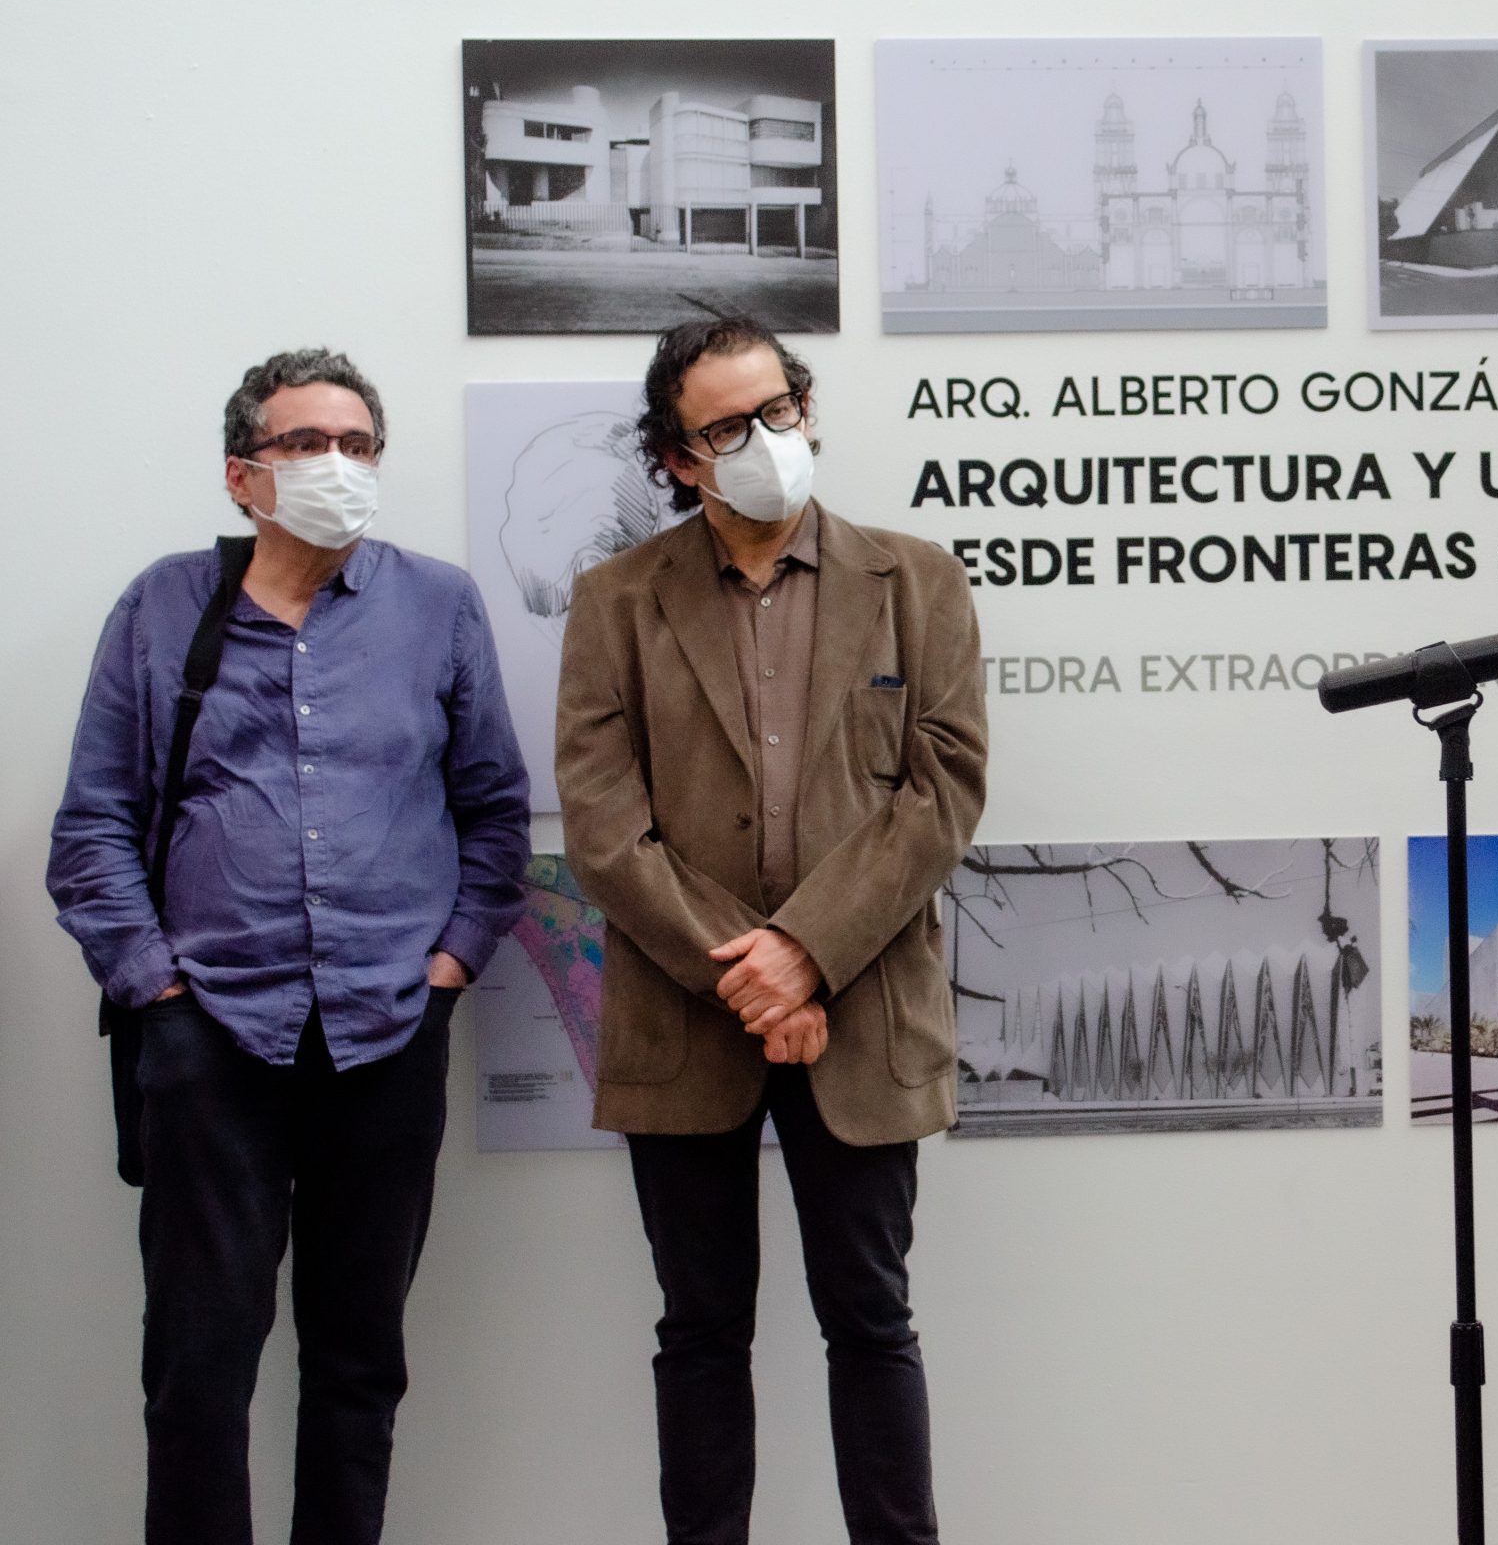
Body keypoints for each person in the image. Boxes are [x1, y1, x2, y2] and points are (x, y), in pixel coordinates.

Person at [48, 347, 532, 1545]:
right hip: (212, 1037)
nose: (336, 466)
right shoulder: (163, 607)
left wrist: (452, 963)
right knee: (199, 1367)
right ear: (241, 477)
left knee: (360, 1361)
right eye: (304, 445)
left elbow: (496, 809)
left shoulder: (439, 605)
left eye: (357, 445)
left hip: (385, 1033)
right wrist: (155, 985)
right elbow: (92, 826)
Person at [555, 313, 987, 1545]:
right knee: (699, 1329)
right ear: (679, 459)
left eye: (780, 407)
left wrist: (806, 953)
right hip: (684, 1027)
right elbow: (602, 826)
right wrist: (747, 974)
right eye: (728, 428)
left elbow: (941, 789)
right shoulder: (615, 602)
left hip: (863, 1017)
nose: (766, 440)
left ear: (807, 404)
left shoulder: (916, 579)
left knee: (872, 1319)